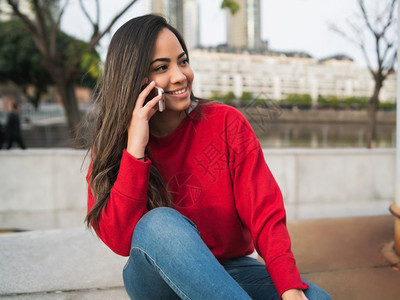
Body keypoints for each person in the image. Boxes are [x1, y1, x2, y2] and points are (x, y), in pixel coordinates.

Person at [85, 14, 331, 300]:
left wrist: (290, 289)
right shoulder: (114, 147)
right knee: (159, 224)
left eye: (183, 61)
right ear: (133, 79)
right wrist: (135, 150)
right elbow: (120, 240)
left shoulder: (226, 124)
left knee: (315, 298)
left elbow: (265, 212)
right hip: (156, 281)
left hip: (227, 271)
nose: (180, 76)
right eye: (162, 67)